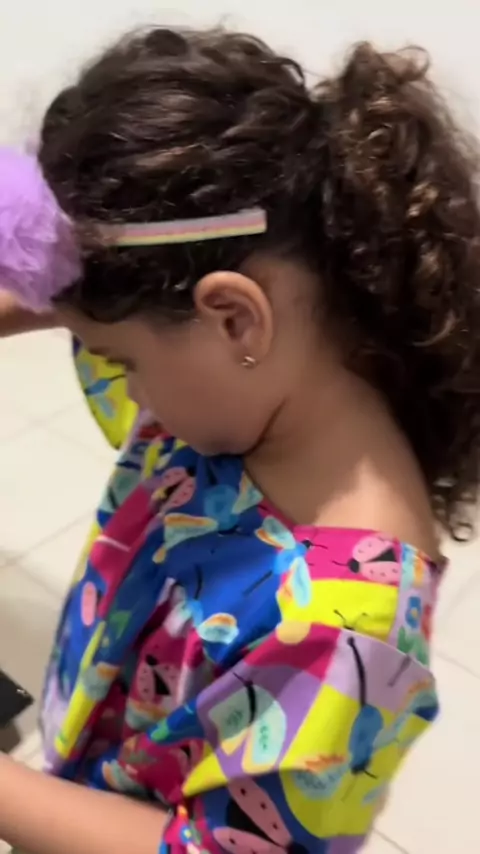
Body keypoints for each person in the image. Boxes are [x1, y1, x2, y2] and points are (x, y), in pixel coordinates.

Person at [0, 27, 478, 854]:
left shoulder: (342, 626)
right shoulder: (248, 382)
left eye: (123, 361)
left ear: (232, 317)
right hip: (88, 767)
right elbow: (97, 298)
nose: (125, 388)